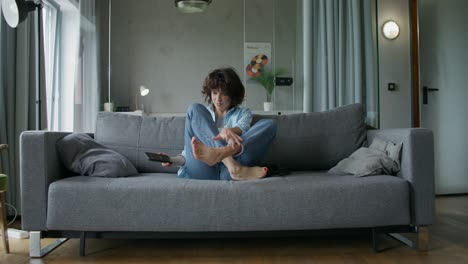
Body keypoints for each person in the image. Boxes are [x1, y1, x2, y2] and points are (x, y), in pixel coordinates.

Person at [162, 67, 277, 181]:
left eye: (224, 94)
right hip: (204, 169)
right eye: (215, 92)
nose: (218, 99)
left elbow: (243, 129)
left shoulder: (243, 113)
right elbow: (189, 153)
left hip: (227, 172)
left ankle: (222, 156)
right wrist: (172, 160)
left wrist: (230, 131)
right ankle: (232, 165)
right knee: (194, 108)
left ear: (232, 95)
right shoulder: (202, 115)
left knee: (270, 124)